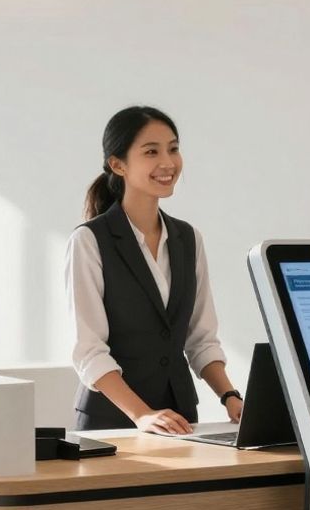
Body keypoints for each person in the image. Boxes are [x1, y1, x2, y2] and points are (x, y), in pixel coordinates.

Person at [65, 106, 244, 433]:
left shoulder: (189, 239)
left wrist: (230, 396)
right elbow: (89, 351)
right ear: (117, 164)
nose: (168, 162)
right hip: (112, 424)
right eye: (151, 151)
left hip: (180, 419)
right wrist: (142, 415)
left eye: (173, 149)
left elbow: (201, 338)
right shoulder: (89, 241)